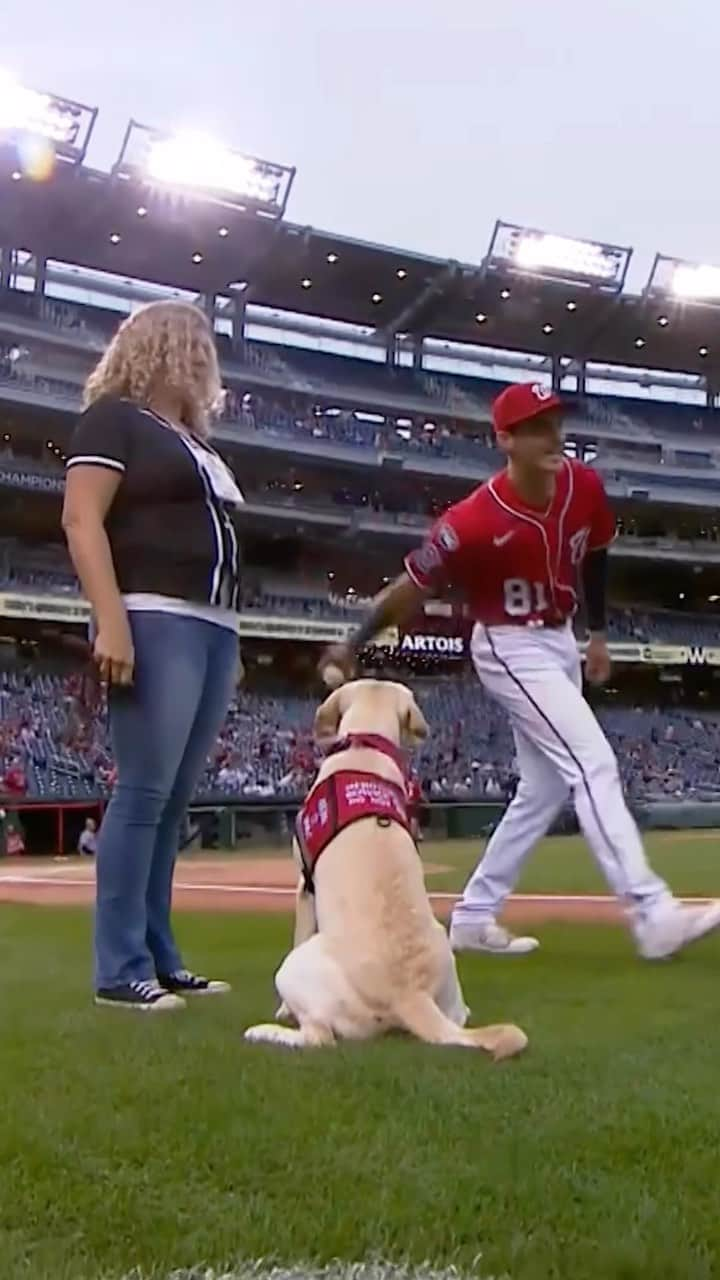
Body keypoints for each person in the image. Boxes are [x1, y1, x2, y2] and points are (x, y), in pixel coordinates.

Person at [319, 381, 720, 961]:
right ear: (504, 439)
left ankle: (474, 916)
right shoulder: (474, 518)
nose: (553, 435)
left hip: (559, 636)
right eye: (536, 426)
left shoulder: (583, 485)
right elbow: (413, 585)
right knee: (592, 762)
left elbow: (598, 551)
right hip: (508, 643)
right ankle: (651, 912)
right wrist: (352, 640)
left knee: (544, 787)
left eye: (555, 422)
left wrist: (599, 633)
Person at [62, 300, 243, 1011]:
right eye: (193, 345)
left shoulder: (195, 440)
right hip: (154, 614)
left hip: (211, 622)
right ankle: (119, 966)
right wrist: (111, 619)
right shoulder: (115, 419)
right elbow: (82, 518)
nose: (205, 359)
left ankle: (160, 955)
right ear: (161, 348)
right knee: (142, 793)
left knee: (172, 804)